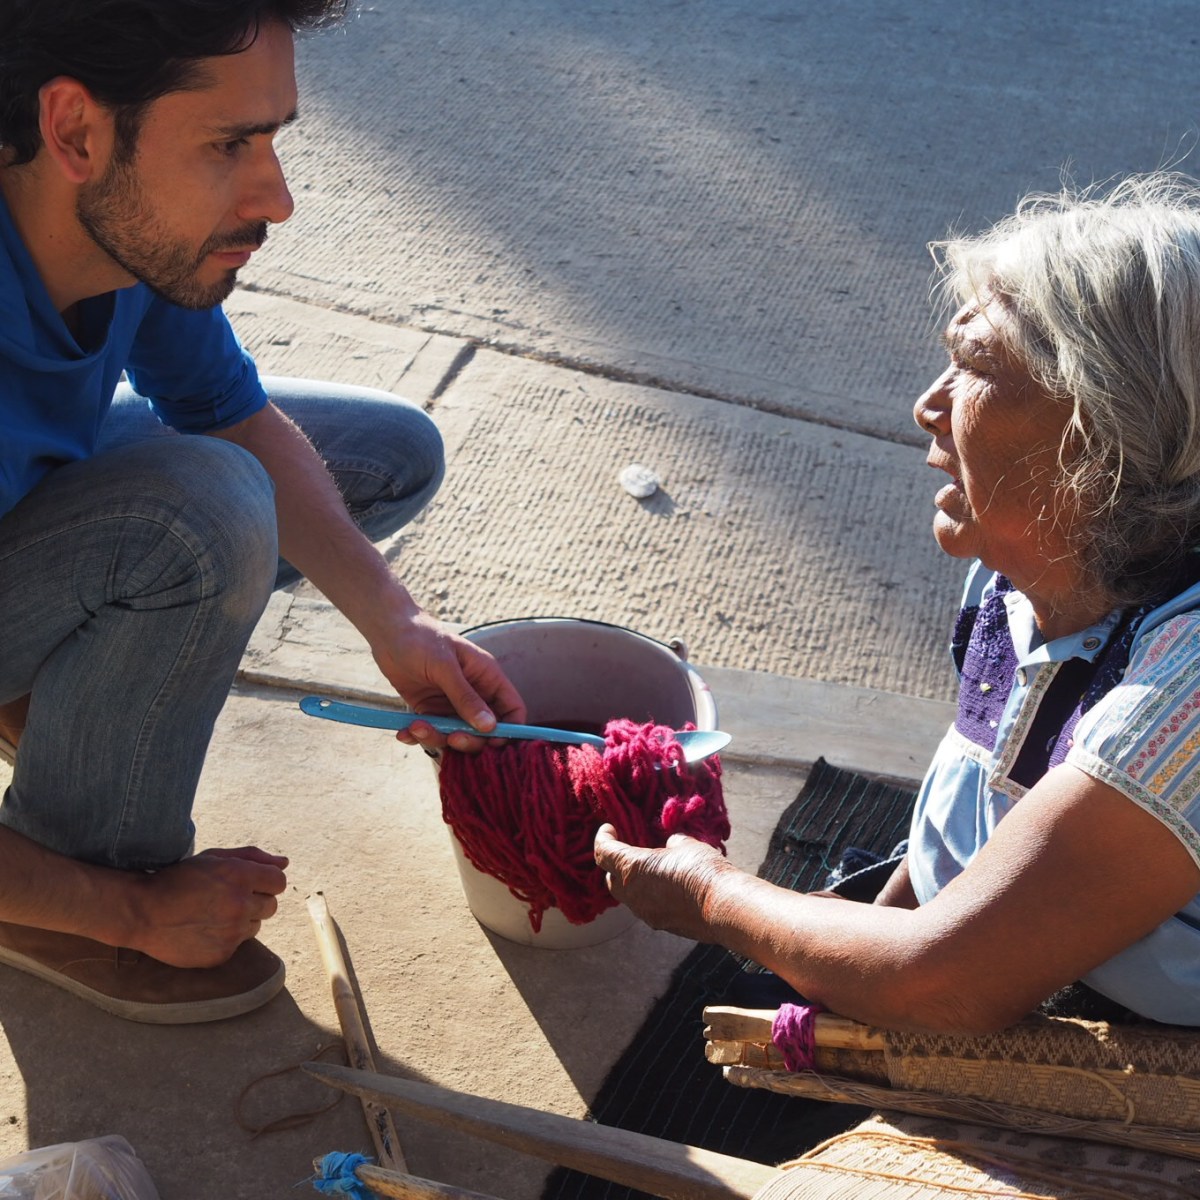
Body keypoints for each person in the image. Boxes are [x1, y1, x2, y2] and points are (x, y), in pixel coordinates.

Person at [0, 0, 524, 1024]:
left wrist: (397, 624)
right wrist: (134, 912)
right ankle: (55, 884)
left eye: (272, 138)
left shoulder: (113, 233)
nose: (276, 199)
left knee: (384, 456)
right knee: (203, 518)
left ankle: (54, 699)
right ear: (75, 131)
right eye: (228, 145)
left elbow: (232, 413)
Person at [596, 173, 1200, 1034]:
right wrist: (868, 944)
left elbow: (938, 984)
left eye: (978, 364)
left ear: (1104, 437)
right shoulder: (1019, 562)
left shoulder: (1183, 700)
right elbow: (981, 779)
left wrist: (711, 896)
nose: (928, 406)